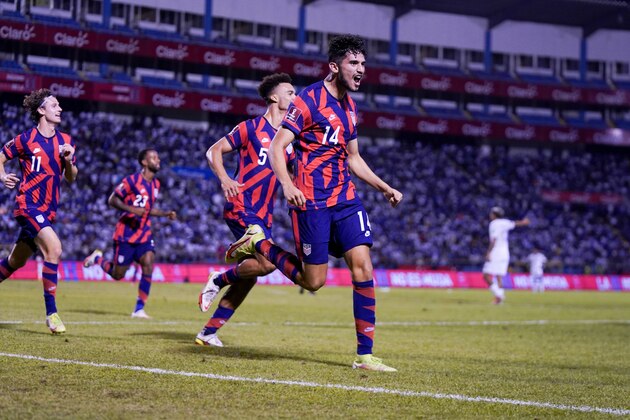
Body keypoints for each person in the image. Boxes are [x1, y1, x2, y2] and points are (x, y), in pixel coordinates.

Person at [223, 35, 403, 372]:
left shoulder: (350, 106)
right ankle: (259, 243)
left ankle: (365, 355)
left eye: (363, 64)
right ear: (335, 67)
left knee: (363, 267)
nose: (361, 69)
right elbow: (278, 147)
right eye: (354, 63)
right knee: (314, 282)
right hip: (311, 201)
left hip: (346, 198)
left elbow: (354, 157)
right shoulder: (307, 101)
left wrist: (384, 187)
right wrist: (288, 185)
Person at [196, 73, 296, 347]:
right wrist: (226, 179)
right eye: (290, 92)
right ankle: (218, 278)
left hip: (263, 216)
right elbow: (213, 151)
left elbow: (293, 177)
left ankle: (208, 332)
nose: (295, 97)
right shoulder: (251, 128)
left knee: (252, 274)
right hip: (243, 206)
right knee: (267, 262)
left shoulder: (287, 142)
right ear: (274, 97)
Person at [0, 89, 78, 334]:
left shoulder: (65, 141)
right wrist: (2, 177)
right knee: (54, 248)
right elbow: (0, 157)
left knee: (16, 261)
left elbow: (71, 178)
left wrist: (68, 160)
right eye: (54, 105)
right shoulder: (25, 139)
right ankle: (52, 314)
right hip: (28, 206)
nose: (60, 108)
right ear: (41, 110)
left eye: (59, 105)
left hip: (48, 210)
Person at [83, 149, 176, 318]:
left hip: (144, 233)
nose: (158, 160)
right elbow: (112, 199)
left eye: (158, 156)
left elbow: (146, 210)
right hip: (125, 234)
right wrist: (131, 209)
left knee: (148, 262)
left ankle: (139, 309)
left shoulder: (156, 184)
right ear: (144, 162)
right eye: (154, 157)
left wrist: (165, 214)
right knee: (118, 274)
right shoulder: (132, 181)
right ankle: (97, 259)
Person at [482, 207, 529, 304]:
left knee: (486, 275)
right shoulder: (505, 222)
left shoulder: (494, 224)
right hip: (505, 253)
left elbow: (494, 239)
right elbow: (514, 223)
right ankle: (499, 298)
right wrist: (523, 222)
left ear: (494, 215)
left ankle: (499, 294)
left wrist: (489, 252)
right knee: (499, 276)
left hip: (496, 252)